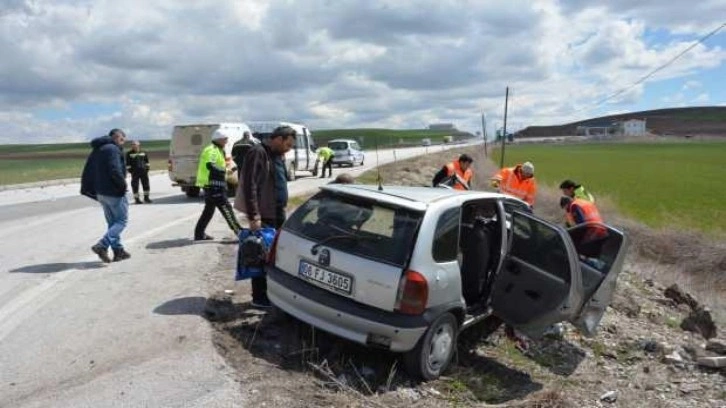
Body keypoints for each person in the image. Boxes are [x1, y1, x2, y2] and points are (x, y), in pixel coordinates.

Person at [235, 125, 296, 308]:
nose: (289, 149)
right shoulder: (258, 152)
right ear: (278, 139)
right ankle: (259, 298)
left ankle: (271, 292)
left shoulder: (277, 155)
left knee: (273, 255)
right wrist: (254, 216)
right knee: (260, 254)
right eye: (288, 144)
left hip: (278, 212)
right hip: (264, 214)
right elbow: (249, 185)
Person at [81, 128, 131, 263]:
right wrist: (123, 185)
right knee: (121, 221)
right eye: (121, 140)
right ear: (115, 137)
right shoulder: (112, 149)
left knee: (112, 223)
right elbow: (114, 169)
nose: (122, 143)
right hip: (113, 191)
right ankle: (102, 245)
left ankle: (118, 251)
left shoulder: (98, 149)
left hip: (101, 192)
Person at [193, 129, 243, 241]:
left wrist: (228, 170)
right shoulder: (212, 150)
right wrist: (224, 170)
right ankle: (240, 233)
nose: (227, 141)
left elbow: (219, 167)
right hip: (213, 186)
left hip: (214, 185)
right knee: (226, 209)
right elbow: (210, 165)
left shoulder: (219, 150)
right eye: (225, 139)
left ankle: (199, 234)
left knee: (208, 211)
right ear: (218, 139)